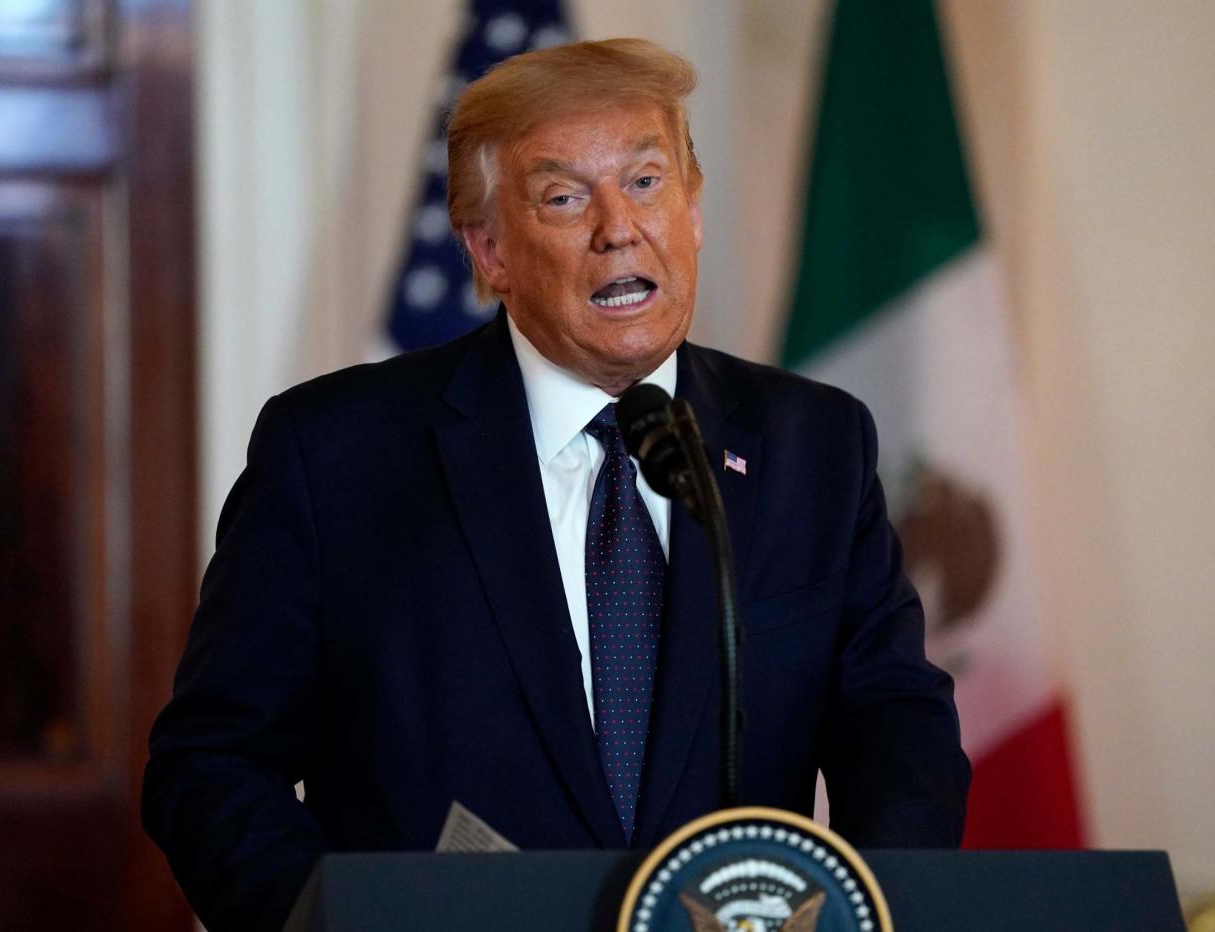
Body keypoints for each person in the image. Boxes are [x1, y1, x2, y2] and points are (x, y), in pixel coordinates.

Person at [143, 38, 970, 932]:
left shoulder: (814, 446)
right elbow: (212, 763)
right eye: (565, 196)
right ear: (489, 251)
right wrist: (335, 922)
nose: (619, 227)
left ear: (692, 210)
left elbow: (896, 728)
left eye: (649, 182)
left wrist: (868, 914)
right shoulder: (334, 454)